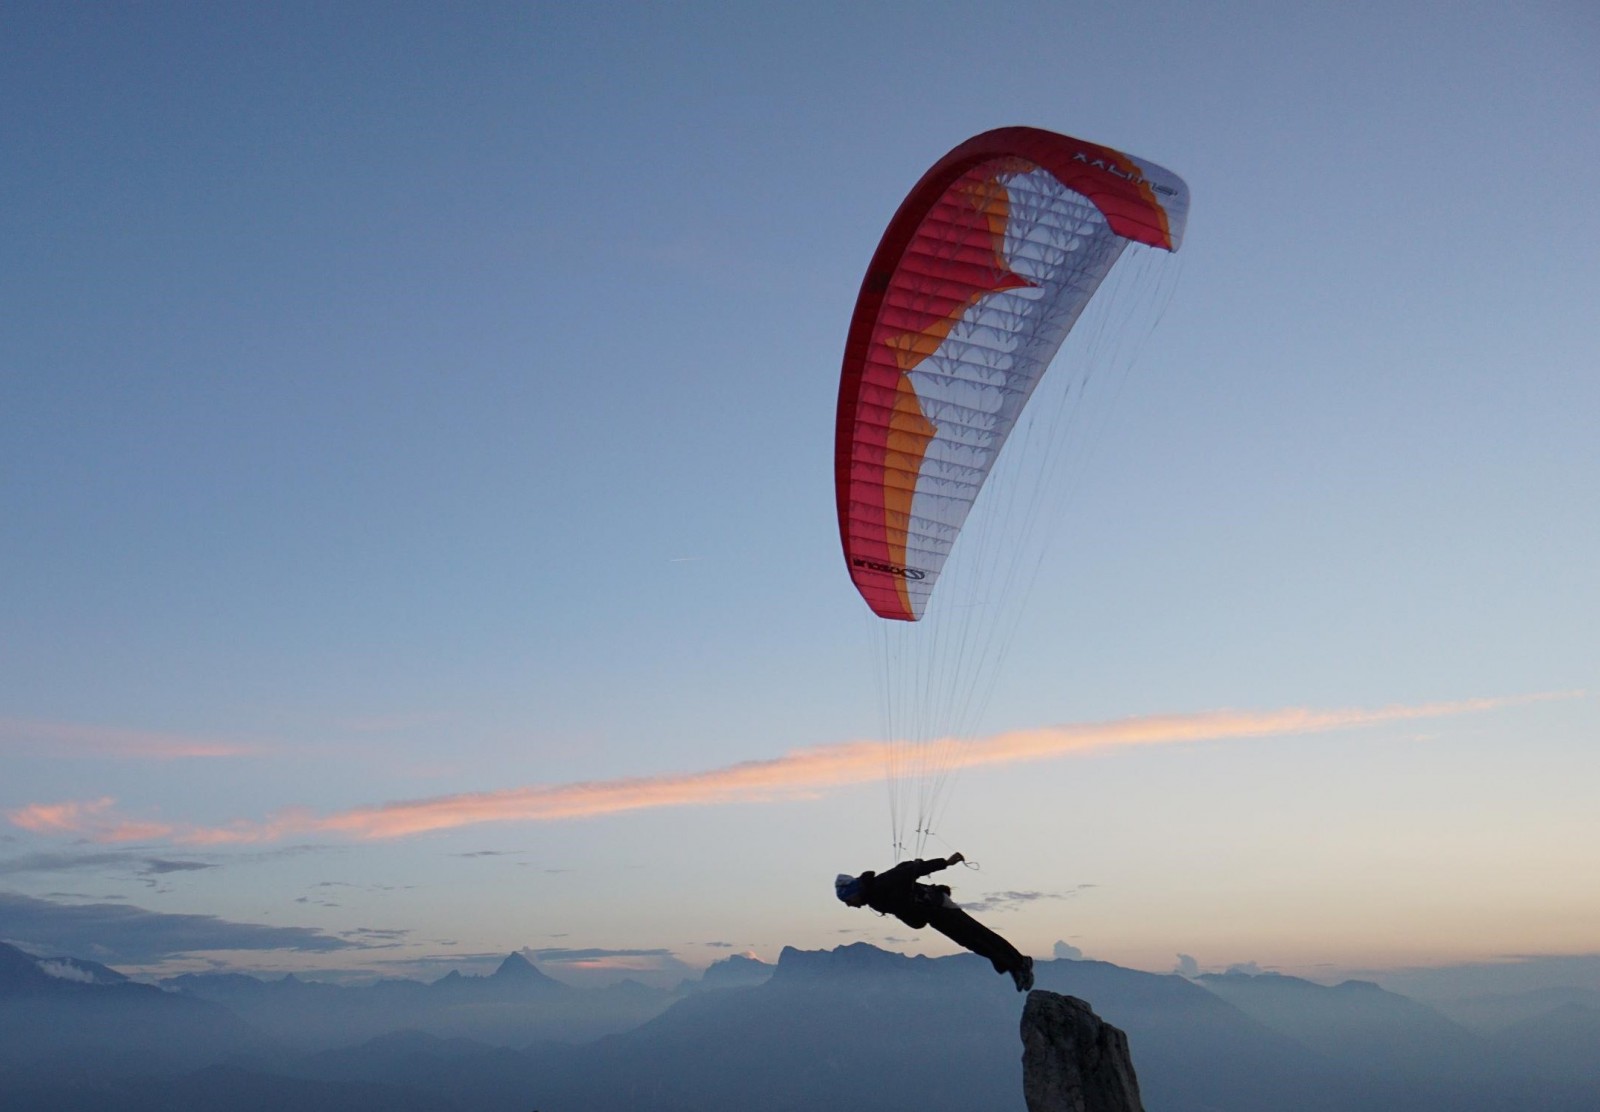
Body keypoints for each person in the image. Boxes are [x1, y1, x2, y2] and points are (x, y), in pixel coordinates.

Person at [835, 852, 1034, 991]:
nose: (849, 905)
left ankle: (1019, 963)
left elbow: (910, 869)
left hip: (938, 905)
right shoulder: (873, 897)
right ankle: (1012, 966)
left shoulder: (880, 885)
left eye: (847, 900)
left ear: (853, 892)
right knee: (971, 942)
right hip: (931, 914)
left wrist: (945, 863)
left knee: (976, 934)